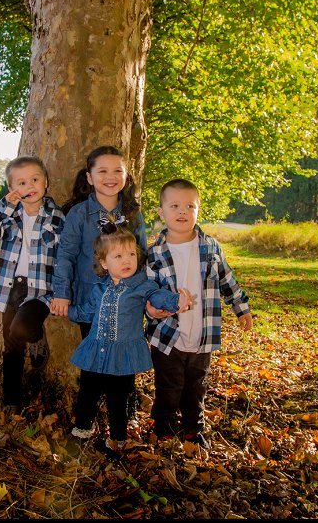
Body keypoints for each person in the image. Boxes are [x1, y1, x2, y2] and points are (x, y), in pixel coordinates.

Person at [143, 179, 254, 448]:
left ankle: (194, 429)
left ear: (198, 210)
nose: (182, 211)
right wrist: (150, 308)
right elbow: (147, 289)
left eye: (190, 206)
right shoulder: (155, 252)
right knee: (168, 387)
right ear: (162, 213)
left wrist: (241, 309)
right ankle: (164, 428)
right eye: (175, 206)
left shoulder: (211, 247)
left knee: (196, 386)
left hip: (203, 334)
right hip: (167, 335)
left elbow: (228, 280)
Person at [68, 222, 190, 457]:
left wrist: (176, 302)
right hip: (95, 351)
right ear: (104, 262)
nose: (127, 261)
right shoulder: (98, 289)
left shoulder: (142, 286)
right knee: (87, 392)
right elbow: (84, 312)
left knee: (118, 398)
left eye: (131, 254)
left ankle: (117, 440)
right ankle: (81, 430)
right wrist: (63, 310)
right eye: (118, 256)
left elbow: (158, 296)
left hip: (123, 356)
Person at [51, 146, 149, 433]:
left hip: (128, 304)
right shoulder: (79, 214)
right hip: (90, 301)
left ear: (127, 176)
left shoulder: (132, 214)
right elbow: (66, 256)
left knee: (124, 363)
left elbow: (142, 256)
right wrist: (61, 293)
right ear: (89, 177)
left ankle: (122, 419)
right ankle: (85, 422)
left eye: (117, 170)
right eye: (102, 171)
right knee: (94, 364)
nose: (110, 177)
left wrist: (146, 296)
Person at [0, 156, 66, 416]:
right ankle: (12, 401)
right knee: (11, 346)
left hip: (40, 289)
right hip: (10, 287)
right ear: (12, 188)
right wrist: (5, 205)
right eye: (22, 182)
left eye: (35, 179)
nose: (30, 186)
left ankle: (37, 338)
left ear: (46, 183)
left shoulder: (56, 215)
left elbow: (65, 252)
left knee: (22, 328)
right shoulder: (9, 215)